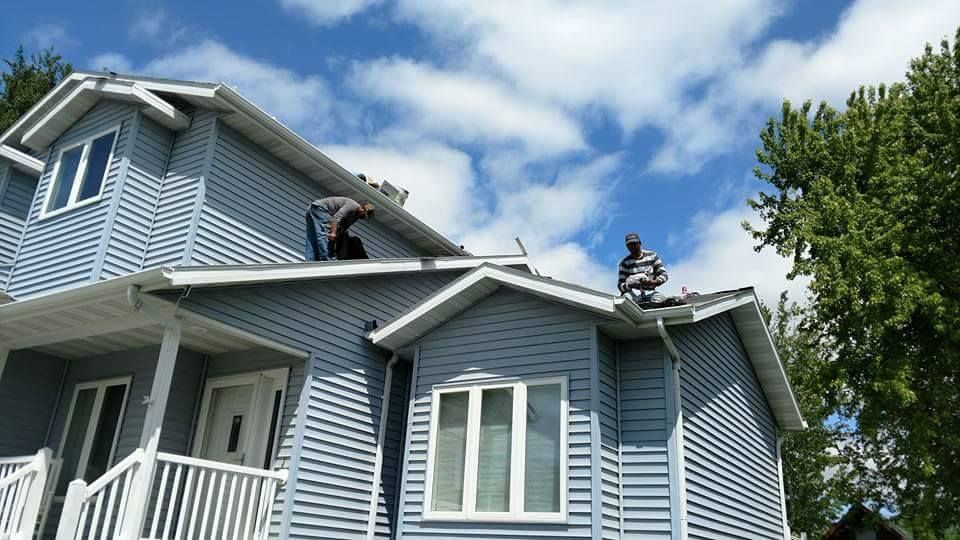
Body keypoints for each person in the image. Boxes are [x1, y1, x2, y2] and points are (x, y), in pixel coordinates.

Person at [305, 197, 375, 261]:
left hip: (313, 208)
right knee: (325, 236)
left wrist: (338, 235)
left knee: (312, 238)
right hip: (320, 209)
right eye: (364, 215)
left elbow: (343, 227)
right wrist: (333, 233)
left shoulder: (355, 216)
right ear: (362, 209)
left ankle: (309, 262)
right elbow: (336, 218)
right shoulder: (352, 206)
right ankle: (328, 261)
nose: (363, 218)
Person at [617, 232, 669, 303]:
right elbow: (620, 285)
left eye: (634, 243)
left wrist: (653, 282)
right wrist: (631, 285)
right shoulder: (624, 263)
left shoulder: (652, 256)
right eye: (629, 245)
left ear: (640, 243)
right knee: (625, 299)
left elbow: (664, 275)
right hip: (633, 294)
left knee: (660, 300)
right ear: (627, 247)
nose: (632, 246)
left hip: (650, 292)